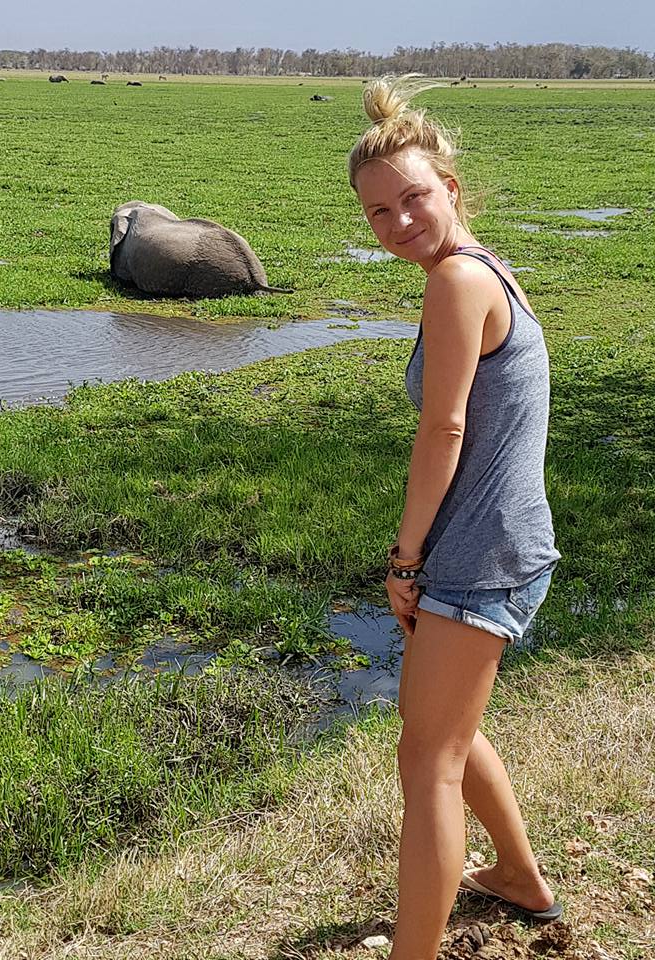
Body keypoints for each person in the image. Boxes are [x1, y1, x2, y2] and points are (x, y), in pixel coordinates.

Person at [348, 76, 563, 960]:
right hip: (494, 545)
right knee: (443, 730)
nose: (398, 222)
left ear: (450, 189)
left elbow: (444, 431)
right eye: (378, 212)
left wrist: (406, 560)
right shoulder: (486, 269)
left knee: (426, 760)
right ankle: (518, 878)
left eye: (413, 199)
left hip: (481, 556)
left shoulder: (454, 282)